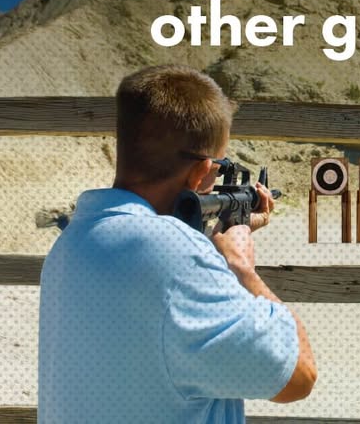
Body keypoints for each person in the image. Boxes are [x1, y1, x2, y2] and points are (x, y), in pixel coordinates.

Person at [39, 65, 316, 423]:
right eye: (218, 168)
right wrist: (240, 267)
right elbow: (298, 375)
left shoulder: (73, 241)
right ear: (201, 171)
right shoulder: (179, 256)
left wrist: (206, 247)